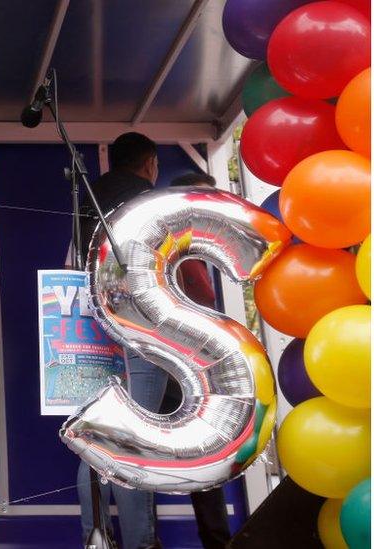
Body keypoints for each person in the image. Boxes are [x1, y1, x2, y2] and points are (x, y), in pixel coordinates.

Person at [76, 132, 166, 549]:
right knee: (134, 438)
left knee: (98, 438)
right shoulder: (148, 200)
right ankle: (140, 542)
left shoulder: (86, 198)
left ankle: (94, 539)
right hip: (141, 328)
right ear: (149, 163)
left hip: (92, 329)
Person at [162, 172, 232, 549]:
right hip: (186, 367)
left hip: (167, 365)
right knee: (206, 456)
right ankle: (216, 539)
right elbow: (204, 302)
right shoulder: (182, 244)